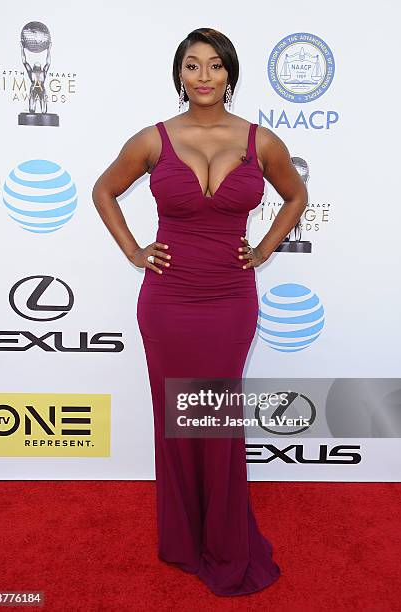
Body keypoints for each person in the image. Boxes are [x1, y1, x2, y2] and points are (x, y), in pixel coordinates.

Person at [92, 27, 307, 597]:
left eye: (215, 65)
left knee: (214, 417)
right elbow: (103, 191)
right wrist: (135, 251)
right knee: (176, 419)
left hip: (230, 302)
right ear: (180, 74)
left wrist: (263, 250)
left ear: (230, 74)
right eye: (193, 65)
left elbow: (296, 197)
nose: (204, 76)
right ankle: (184, 540)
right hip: (166, 302)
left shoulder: (261, 142)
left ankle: (223, 538)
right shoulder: (154, 140)